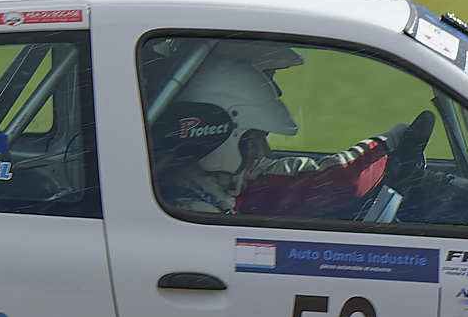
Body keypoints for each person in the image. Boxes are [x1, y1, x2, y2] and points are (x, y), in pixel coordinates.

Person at [149, 53, 432, 218]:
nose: (262, 150)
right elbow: (337, 182)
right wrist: (390, 143)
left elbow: (322, 183)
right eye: (254, 139)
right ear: (225, 136)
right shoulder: (198, 204)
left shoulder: (211, 185)